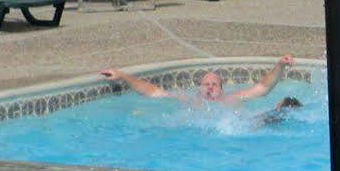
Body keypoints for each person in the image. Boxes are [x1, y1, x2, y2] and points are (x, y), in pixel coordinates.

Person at [101, 57, 294, 107]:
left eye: (215, 84)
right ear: (198, 89)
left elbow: (263, 88)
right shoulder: (188, 100)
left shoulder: (233, 98)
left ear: (222, 90)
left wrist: (279, 66)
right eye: (206, 84)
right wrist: (123, 76)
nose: (210, 87)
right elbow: (152, 92)